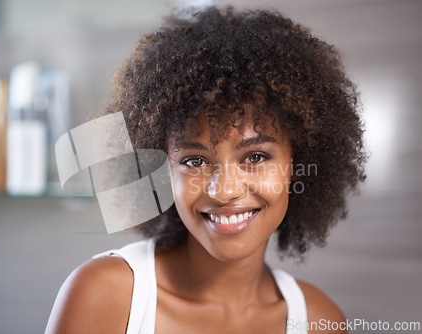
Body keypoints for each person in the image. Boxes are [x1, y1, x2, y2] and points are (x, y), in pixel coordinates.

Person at [45, 6, 366, 334]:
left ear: (296, 163)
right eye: (194, 161)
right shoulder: (106, 297)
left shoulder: (319, 322)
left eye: (255, 157)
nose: (224, 190)